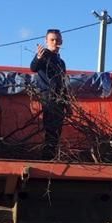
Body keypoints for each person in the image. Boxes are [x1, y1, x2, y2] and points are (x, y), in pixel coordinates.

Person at [30, 29, 68, 159]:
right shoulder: (43, 56)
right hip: (48, 97)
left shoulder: (61, 62)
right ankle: (47, 158)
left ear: (61, 42)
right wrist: (38, 57)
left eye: (57, 40)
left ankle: (52, 157)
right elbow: (33, 67)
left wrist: (68, 105)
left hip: (60, 98)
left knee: (57, 131)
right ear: (46, 41)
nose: (55, 42)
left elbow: (63, 83)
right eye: (52, 40)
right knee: (51, 130)